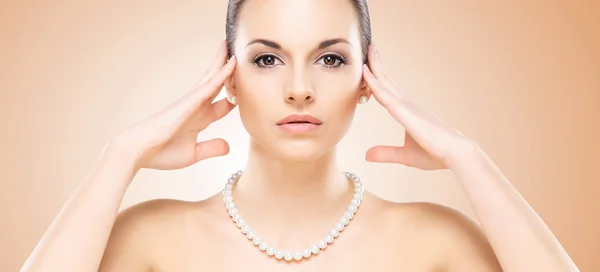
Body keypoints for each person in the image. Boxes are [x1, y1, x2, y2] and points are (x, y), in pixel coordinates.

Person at [21, 0, 580, 271]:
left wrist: (468, 157)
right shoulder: (149, 238)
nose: (298, 89)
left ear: (369, 82)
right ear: (229, 77)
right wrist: (119, 156)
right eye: (267, 59)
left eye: (330, 60)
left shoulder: (435, 242)